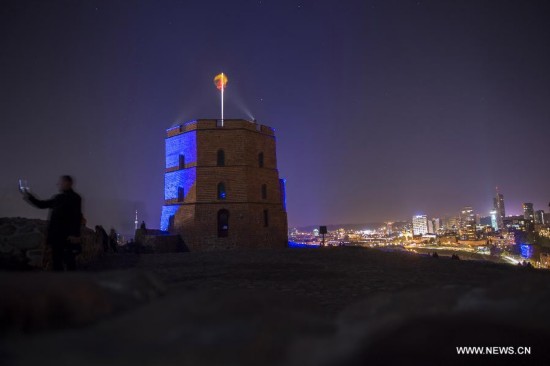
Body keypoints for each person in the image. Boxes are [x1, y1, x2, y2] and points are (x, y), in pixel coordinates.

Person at [22, 175, 82, 271]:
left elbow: (76, 216)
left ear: (68, 183)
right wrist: (29, 196)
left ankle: (70, 283)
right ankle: (62, 284)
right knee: (58, 262)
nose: (59, 184)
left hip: (67, 237)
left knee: (69, 262)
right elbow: (41, 204)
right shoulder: (59, 198)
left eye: (61, 182)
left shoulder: (75, 198)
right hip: (57, 236)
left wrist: (75, 234)